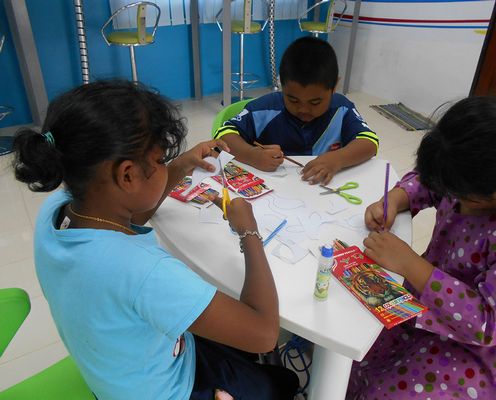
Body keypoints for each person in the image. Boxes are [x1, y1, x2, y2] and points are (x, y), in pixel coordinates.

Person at [12, 80, 299, 400]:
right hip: (170, 390)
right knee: (283, 383)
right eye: (160, 161)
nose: (165, 166)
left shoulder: (58, 209)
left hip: (119, 374)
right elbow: (264, 335)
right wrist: (249, 231)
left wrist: (182, 164)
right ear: (127, 175)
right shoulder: (145, 272)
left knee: (244, 357)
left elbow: (131, 215)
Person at [347, 96, 496, 399]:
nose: (453, 203)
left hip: (484, 348)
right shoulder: (473, 171)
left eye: (462, 198)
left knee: (387, 392)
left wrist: (409, 263)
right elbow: (432, 180)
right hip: (427, 298)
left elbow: (489, 322)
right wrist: (396, 198)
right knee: (353, 348)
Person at [213, 36, 379, 185]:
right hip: (273, 193)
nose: (303, 109)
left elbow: (369, 142)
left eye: (315, 102)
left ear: (334, 87)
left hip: (323, 194)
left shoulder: (342, 109)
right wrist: (251, 155)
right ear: (282, 85)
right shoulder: (264, 109)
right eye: (293, 100)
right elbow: (223, 135)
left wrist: (337, 159)